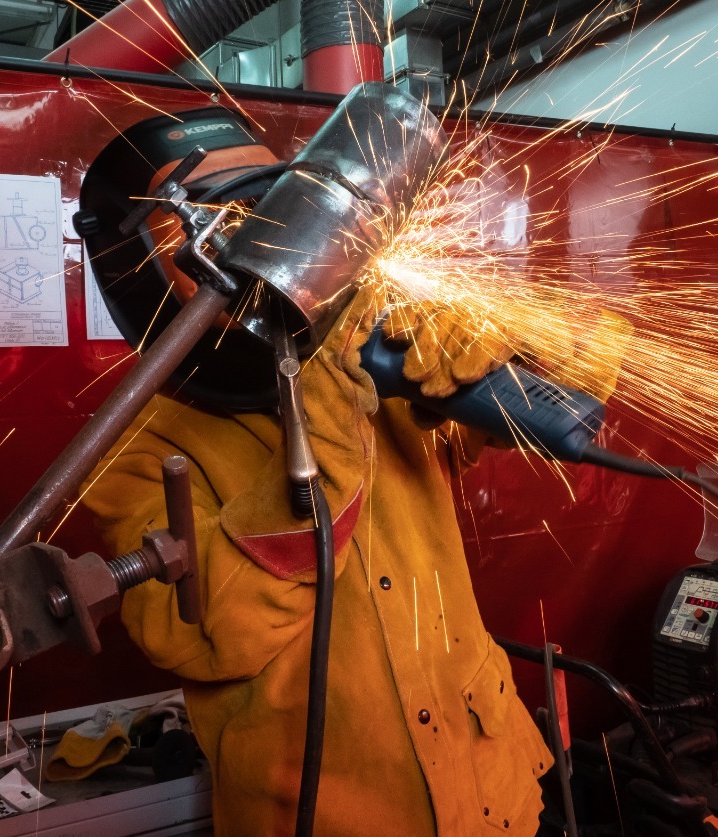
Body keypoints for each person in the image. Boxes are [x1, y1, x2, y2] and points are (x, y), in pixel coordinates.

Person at [83, 290, 623, 835]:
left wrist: (522, 340)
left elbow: (550, 415)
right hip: (326, 817)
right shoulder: (134, 447)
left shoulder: (379, 356)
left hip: (488, 791)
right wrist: (324, 431)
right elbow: (208, 637)